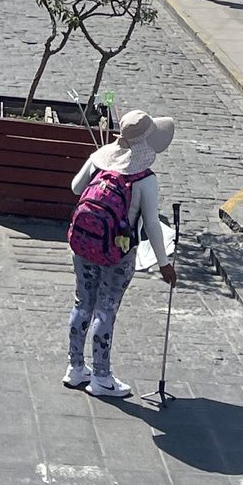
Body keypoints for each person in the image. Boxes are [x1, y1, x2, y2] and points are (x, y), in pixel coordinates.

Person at [66, 110, 177, 399]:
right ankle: (101, 377)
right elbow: (151, 224)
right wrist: (164, 264)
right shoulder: (145, 179)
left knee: (82, 303)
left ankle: (75, 368)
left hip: (83, 244)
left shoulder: (99, 158)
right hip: (119, 252)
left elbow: (76, 188)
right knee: (106, 309)